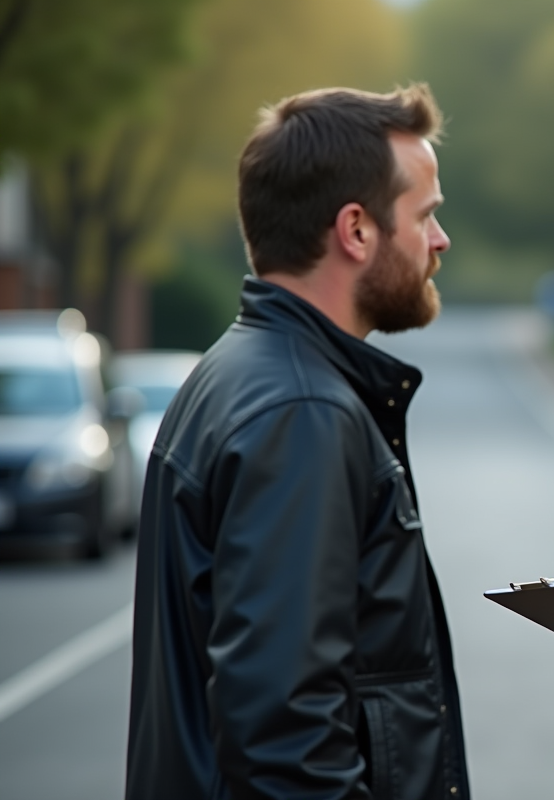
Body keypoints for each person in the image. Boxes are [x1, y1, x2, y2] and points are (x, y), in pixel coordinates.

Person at [125, 85, 469, 800]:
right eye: (426, 216)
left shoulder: (232, 374)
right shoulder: (302, 411)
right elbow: (287, 740)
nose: (440, 241)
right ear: (356, 230)